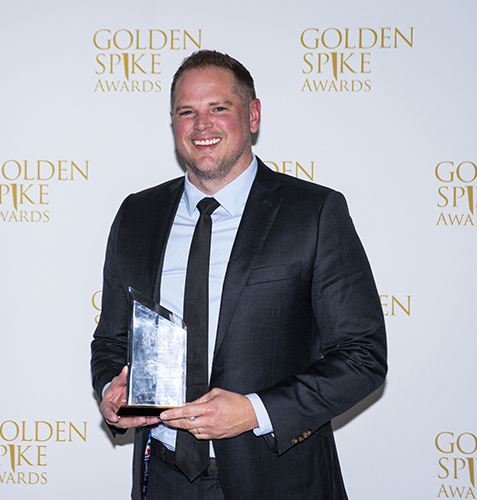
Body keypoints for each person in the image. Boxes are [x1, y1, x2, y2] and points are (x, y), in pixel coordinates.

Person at [90, 49, 387, 499]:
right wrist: (113, 391)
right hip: (164, 480)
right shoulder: (137, 214)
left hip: (278, 479)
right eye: (187, 112)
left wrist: (255, 411)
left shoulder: (313, 212)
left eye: (218, 108)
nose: (201, 125)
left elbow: (363, 356)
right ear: (173, 124)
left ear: (252, 115)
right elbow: (111, 341)